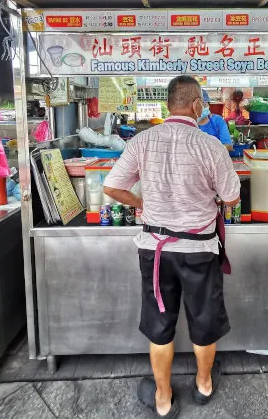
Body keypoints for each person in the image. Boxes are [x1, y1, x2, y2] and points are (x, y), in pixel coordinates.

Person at [103, 75, 240, 418]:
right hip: (199, 250)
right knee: (203, 320)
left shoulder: (142, 141)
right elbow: (232, 197)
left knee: (159, 324)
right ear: (196, 105)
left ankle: (163, 398)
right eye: (203, 103)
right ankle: (203, 384)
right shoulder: (210, 145)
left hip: (155, 249)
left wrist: (140, 203)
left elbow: (111, 187)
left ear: (168, 104)